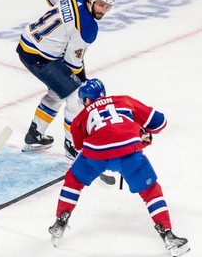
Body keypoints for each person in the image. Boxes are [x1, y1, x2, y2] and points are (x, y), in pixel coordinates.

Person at [48, 79, 190, 257]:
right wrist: (141, 133)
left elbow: (79, 146)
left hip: (96, 155)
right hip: (129, 153)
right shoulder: (124, 101)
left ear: (86, 100)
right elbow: (160, 122)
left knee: (73, 181)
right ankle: (168, 235)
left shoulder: (81, 117)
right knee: (151, 191)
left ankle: (60, 221)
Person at [17, 0, 115, 160]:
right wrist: (83, 83)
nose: (103, 10)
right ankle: (72, 146)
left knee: (59, 90)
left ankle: (35, 134)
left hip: (26, 42)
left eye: (107, 7)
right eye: (101, 5)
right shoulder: (88, 27)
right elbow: (72, 62)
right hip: (41, 57)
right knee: (75, 95)